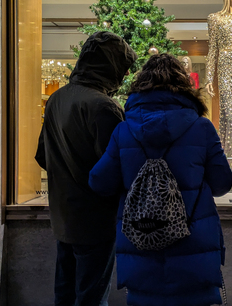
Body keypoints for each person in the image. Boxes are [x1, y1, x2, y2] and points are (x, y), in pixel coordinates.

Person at [89, 53, 232, 306]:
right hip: (194, 251)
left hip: (142, 249)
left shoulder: (123, 131)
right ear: (184, 86)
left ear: (140, 84)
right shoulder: (201, 127)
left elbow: (99, 182)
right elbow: (222, 183)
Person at [35, 31, 138, 306]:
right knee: (92, 297)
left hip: (63, 215)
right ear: (111, 66)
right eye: (123, 69)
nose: (125, 76)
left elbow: (42, 156)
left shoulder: (57, 99)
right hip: (95, 220)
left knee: (65, 293)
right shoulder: (104, 106)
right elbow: (117, 169)